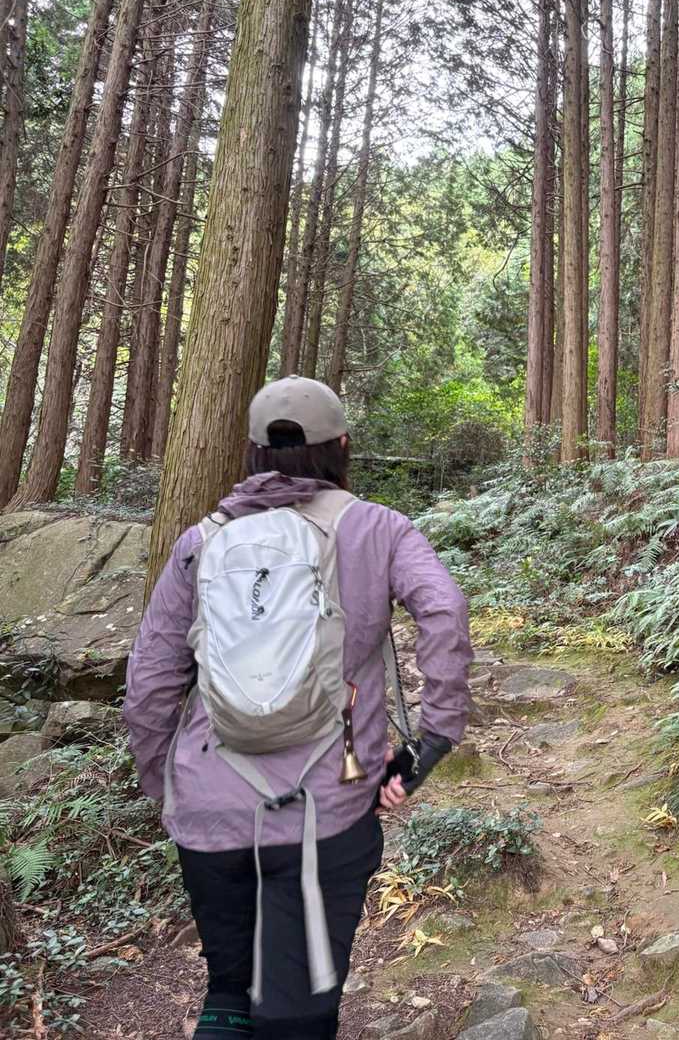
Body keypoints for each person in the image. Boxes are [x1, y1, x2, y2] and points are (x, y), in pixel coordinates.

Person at [124, 377, 473, 1040]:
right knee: (297, 1014)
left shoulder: (201, 541)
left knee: (229, 991)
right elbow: (444, 610)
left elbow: (150, 681)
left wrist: (167, 786)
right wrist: (431, 742)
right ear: (342, 446)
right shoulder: (379, 529)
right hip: (325, 812)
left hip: (208, 809)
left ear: (254, 453)